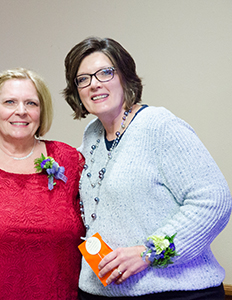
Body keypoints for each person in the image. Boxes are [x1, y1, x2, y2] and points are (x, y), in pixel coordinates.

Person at [62, 37, 232, 299]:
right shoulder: (92, 135)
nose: (94, 83)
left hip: (173, 293)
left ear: (125, 77)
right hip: (100, 291)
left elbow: (214, 200)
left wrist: (149, 252)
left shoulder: (159, 126)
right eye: (83, 79)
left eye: (105, 73)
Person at [0, 68, 85, 300]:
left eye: (31, 103)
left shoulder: (70, 161)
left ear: (42, 113)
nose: (21, 111)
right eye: (10, 102)